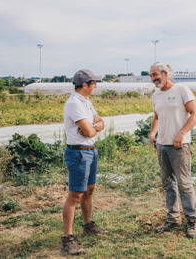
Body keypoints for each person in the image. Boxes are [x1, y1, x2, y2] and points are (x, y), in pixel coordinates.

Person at [148, 62, 196, 239]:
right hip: (162, 146)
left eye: (155, 74)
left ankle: (192, 220)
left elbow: (195, 114)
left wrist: (182, 133)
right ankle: (173, 219)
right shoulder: (156, 95)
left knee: (184, 184)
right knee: (168, 184)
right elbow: (156, 116)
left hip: (180, 145)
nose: (153, 79)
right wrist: (152, 133)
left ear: (165, 73)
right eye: (151, 76)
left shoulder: (181, 89)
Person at [61, 69, 108, 255]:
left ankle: (88, 225)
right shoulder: (74, 103)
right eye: (94, 83)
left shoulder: (86, 102)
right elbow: (89, 131)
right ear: (85, 85)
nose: (96, 86)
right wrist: (93, 128)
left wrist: (94, 126)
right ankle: (67, 239)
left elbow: (100, 124)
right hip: (78, 153)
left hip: (91, 150)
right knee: (75, 195)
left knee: (89, 190)